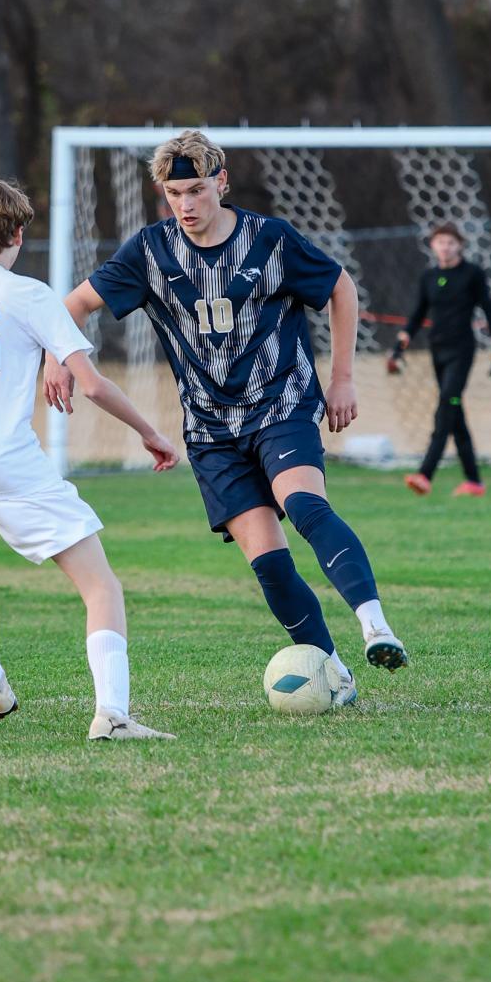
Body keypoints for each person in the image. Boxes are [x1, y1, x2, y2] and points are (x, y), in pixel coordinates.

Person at [44, 130, 407, 696]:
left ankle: (374, 622)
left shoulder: (270, 239)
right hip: (211, 431)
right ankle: (333, 672)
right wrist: (58, 359)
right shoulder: (149, 252)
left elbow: (341, 287)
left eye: (195, 190)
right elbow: (71, 306)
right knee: (268, 562)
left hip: (281, 403)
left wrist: (341, 379)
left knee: (306, 505)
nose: (185, 205)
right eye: (173, 194)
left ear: (222, 182)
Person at [0, 177, 180, 743]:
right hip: (8, 463)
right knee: (100, 585)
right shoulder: (29, 295)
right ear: (20, 235)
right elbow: (92, 385)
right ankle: (113, 715)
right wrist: (151, 432)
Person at [391, 221, 491, 497]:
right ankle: (474, 481)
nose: (445, 247)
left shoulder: (472, 274)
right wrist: (399, 347)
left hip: (462, 350)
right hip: (437, 350)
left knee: (446, 405)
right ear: (433, 246)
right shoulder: (429, 277)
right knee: (454, 412)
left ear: (460, 245)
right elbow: (417, 314)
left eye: (450, 242)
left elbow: (489, 310)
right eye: (440, 242)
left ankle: (425, 474)